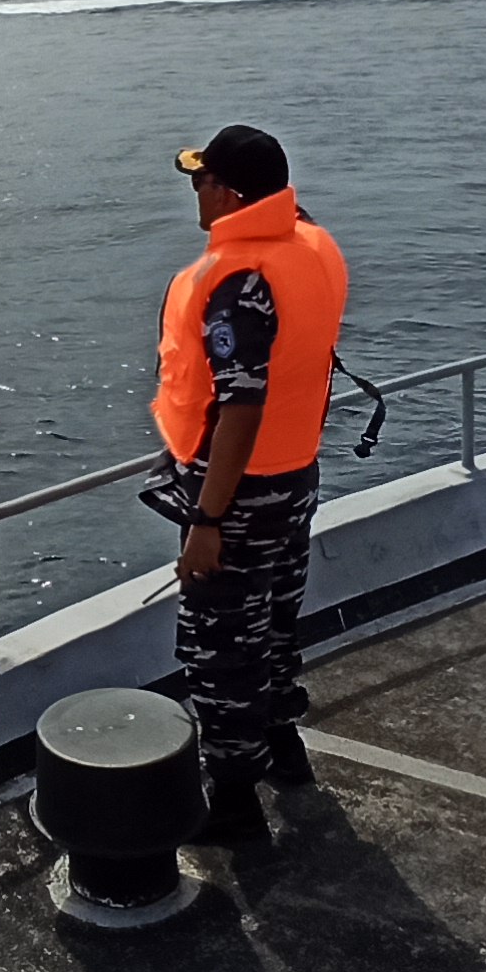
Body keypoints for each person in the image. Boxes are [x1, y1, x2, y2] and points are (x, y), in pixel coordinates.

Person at [150, 124, 348, 838]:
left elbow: (240, 403)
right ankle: (284, 747)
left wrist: (206, 521)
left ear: (228, 192)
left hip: (238, 493)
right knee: (273, 621)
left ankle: (234, 802)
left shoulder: (240, 284)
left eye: (201, 180)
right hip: (294, 477)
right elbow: (297, 218)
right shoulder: (311, 249)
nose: (194, 192)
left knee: (222, 642)